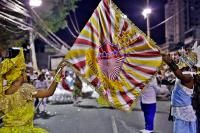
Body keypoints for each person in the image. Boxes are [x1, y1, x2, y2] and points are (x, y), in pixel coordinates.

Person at [0, 48, 66, 133]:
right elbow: (49, 92)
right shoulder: (25, 89)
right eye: (24, 71)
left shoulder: (2, 92)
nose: (26, 74)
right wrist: (57, 76)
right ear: (19, 74)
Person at [162, 53, 197, 133]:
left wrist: (170, 62)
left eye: (182, 60)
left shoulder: (189, 76)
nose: (179, 61)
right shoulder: (185, 75)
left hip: (184, 113)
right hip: (179, 111)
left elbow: (179, 75)